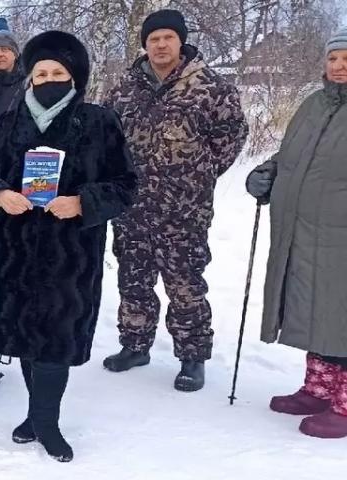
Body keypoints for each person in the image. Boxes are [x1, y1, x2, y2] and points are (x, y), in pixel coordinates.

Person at [0, 31, 136, 462]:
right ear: (29, 77)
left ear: (74, 77)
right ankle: (34, 414)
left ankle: (46, 421)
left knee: (55, 338)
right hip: (15, 251)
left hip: (70, 254)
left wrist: (83, 201)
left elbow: (125, 185)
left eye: (57, 72)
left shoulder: (99, 121)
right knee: (25, 338)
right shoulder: (10, 122)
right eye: (41, 72)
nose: (48, 78)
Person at [102, 9, 249, 392]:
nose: (161, 45)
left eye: (168, 37)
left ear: (180, 41)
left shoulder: (210, 86)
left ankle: (192, 356)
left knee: (184, 282)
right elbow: (106, 138)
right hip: (132, 206)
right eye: (153, 39)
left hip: (184, 209)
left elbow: (231, 134)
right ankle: (135, 345)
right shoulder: (123, 88)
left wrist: (198, 172)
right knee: (133, 278)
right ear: (145, 44)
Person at [245, 28, 347, 439]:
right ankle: (319, 389)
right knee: (315, 305)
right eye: (334, 59)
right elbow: (292, 153)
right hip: (304, 230)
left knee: (342, 311)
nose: (340, 67)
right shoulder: (313, 104)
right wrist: (269, 172)